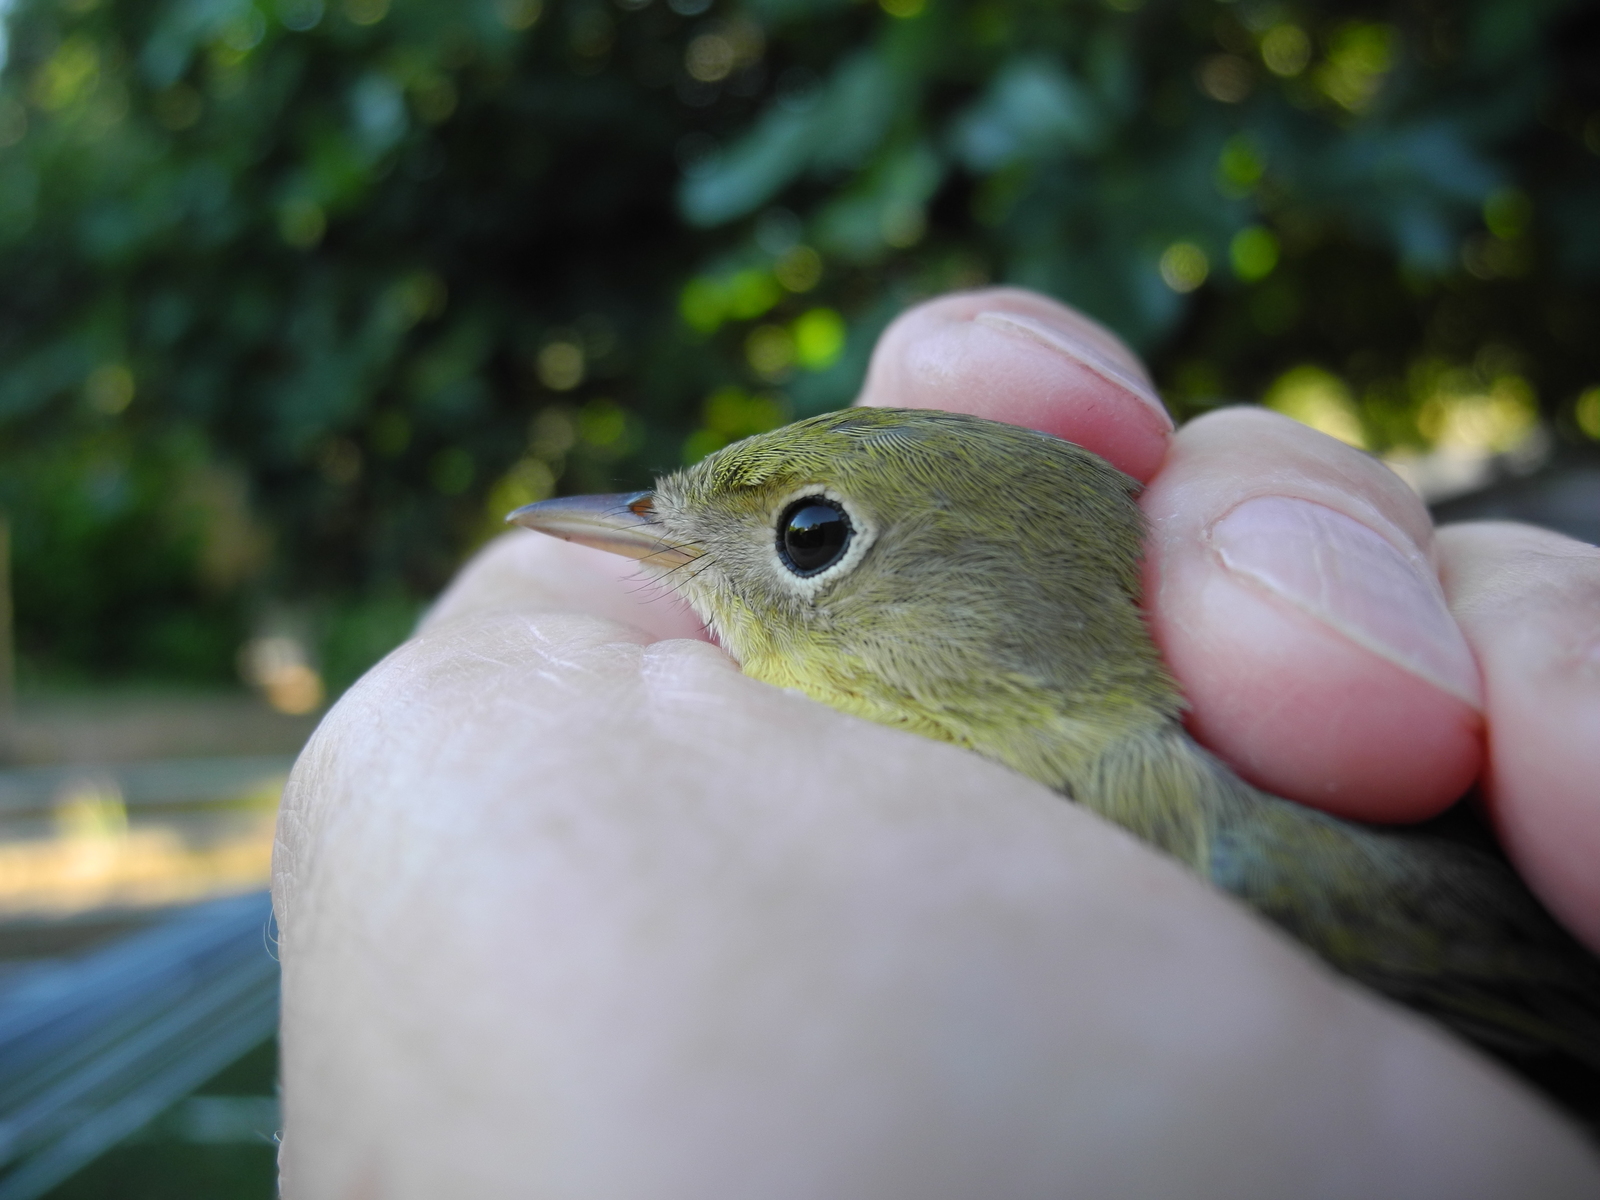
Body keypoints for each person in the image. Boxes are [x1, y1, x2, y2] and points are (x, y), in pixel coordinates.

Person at [272, 289, 1600, 1197]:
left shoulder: (1268, 865)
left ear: (992, 619)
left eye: (807, 537)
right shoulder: (760, 812)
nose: (680, 547)